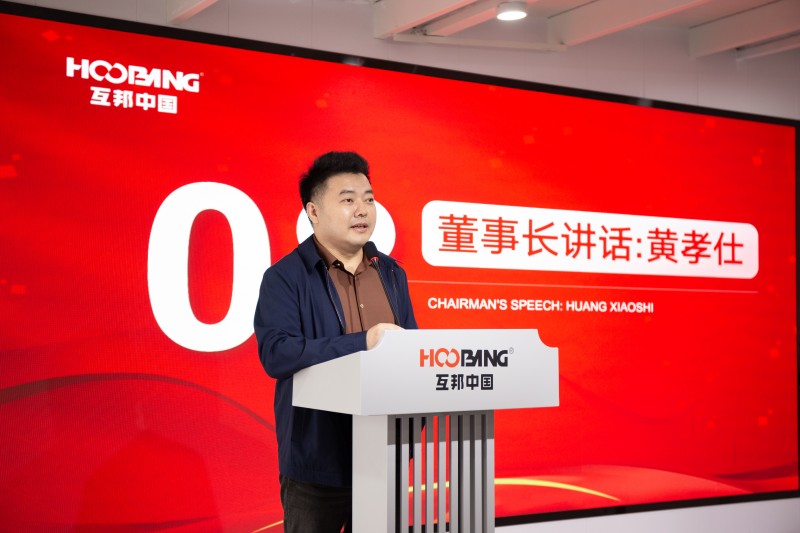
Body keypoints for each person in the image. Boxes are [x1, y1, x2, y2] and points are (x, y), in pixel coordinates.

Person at [254, 151, 417, 533]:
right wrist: (363, 342)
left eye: (369, 199)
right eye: (347, 200)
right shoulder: (285, 277)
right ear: (313, 211)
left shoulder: (391, 272)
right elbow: (277, 354)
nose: (362, 210)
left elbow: (411, 351)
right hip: (317, 466)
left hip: (382, 458)